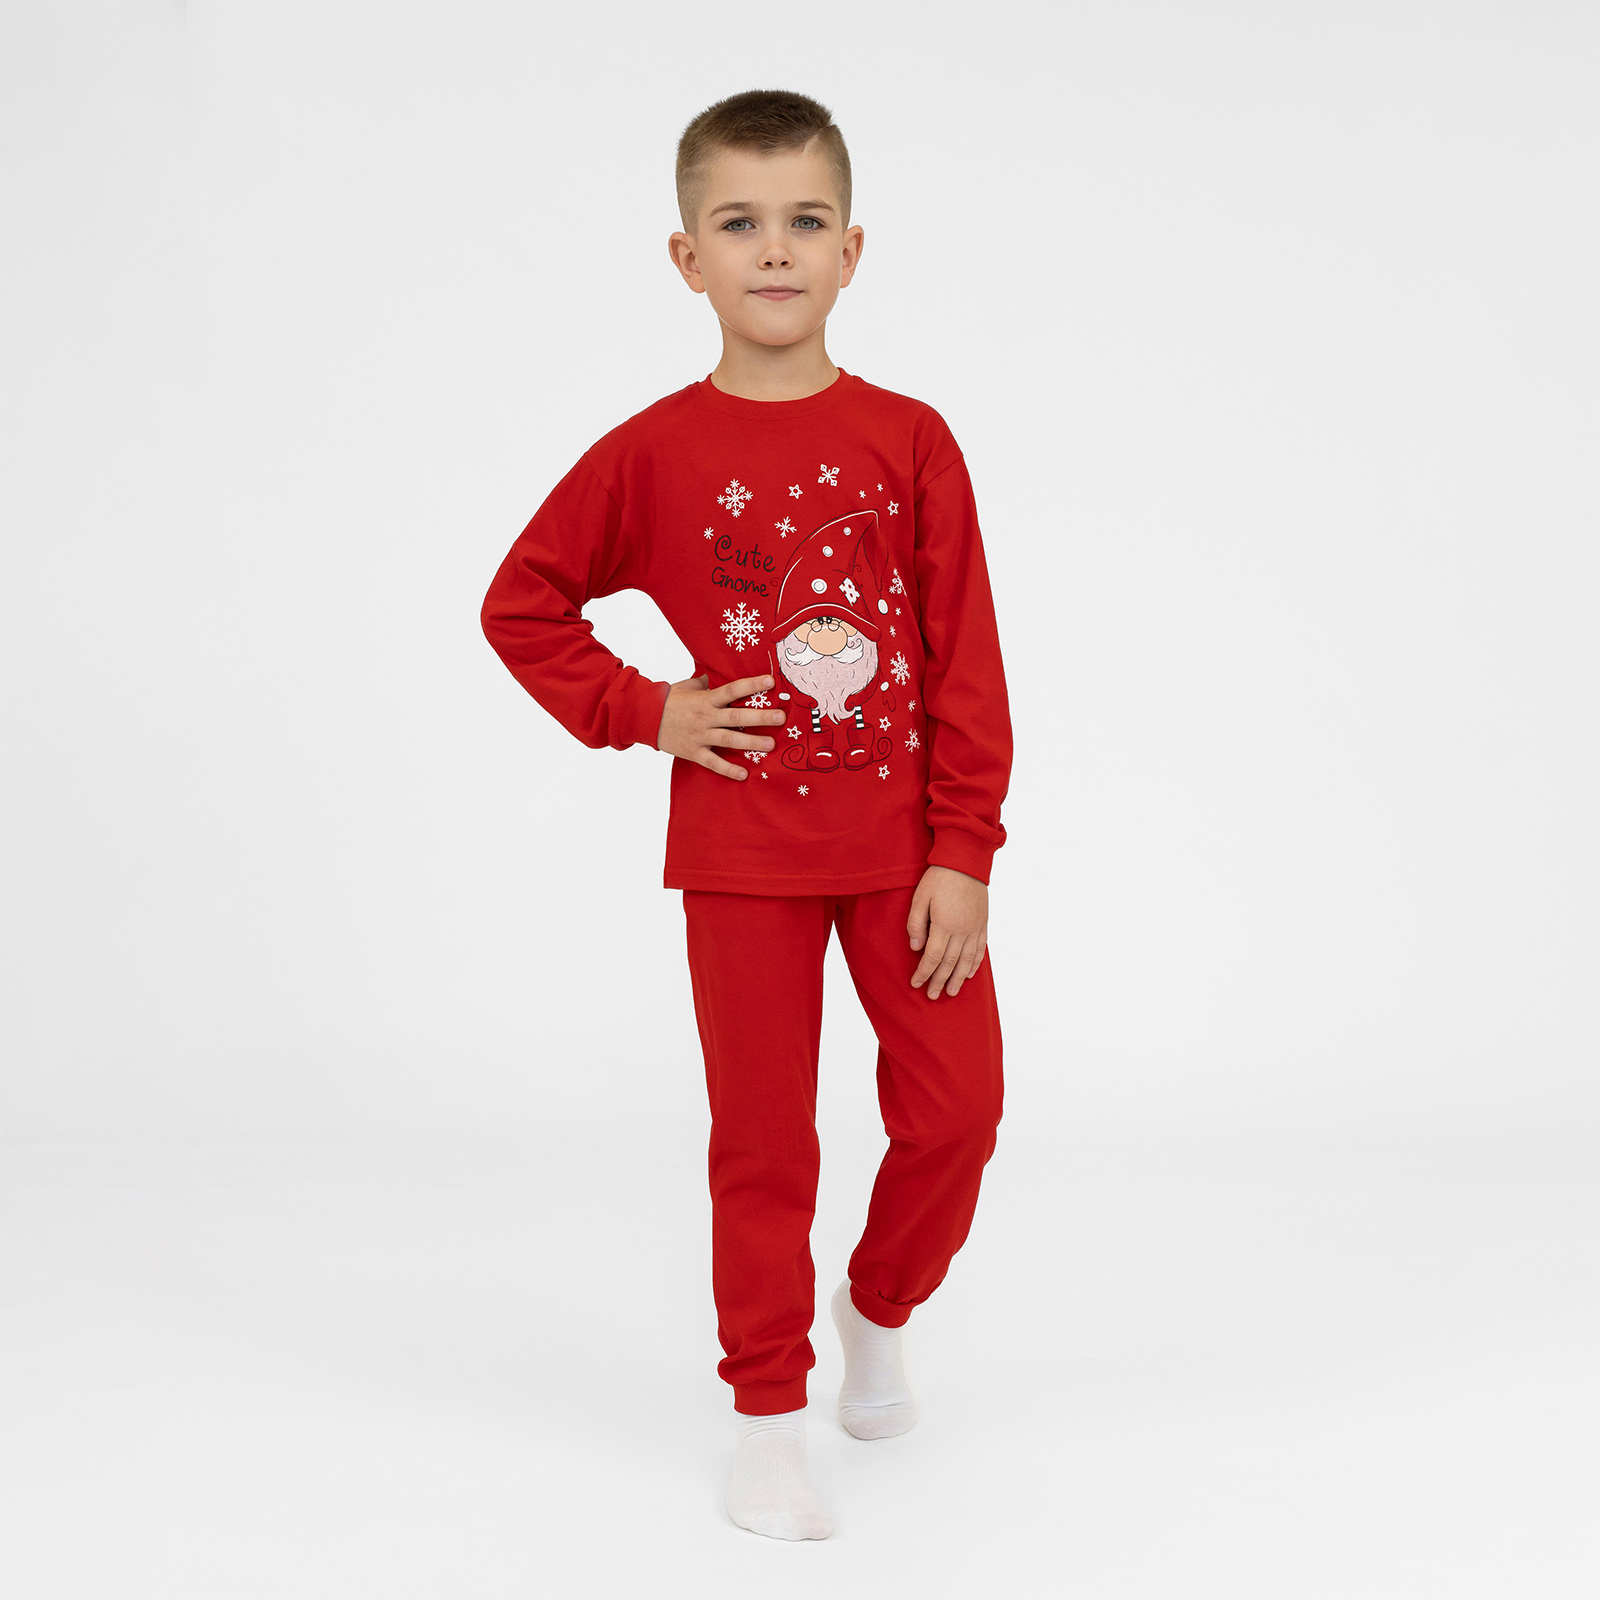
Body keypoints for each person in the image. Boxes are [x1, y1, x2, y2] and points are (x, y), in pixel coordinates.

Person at [480, 87, 1012, 1543]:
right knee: (765, 1145)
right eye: (739, 223)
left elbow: (965, 658)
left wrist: (965, 849)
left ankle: (877, 1307)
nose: (773, 249)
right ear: (687, 257)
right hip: (742, 860)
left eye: (803, 221)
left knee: (958, 1112)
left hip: (908, 862)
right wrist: (649, 708)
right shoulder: (653, 452)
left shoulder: (912, 440)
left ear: (852, 250)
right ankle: (769, 1416)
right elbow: (522, 604)